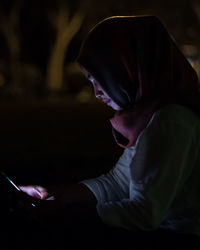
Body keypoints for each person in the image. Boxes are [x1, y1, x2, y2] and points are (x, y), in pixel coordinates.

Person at [17, 15, 200, 248]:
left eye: (99, 78)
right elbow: (119, 183)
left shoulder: (171, 121)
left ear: (125, 68)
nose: (96, 92)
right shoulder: (149, 116)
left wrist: (64, 214)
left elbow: (144, 213)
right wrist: (52, 194)